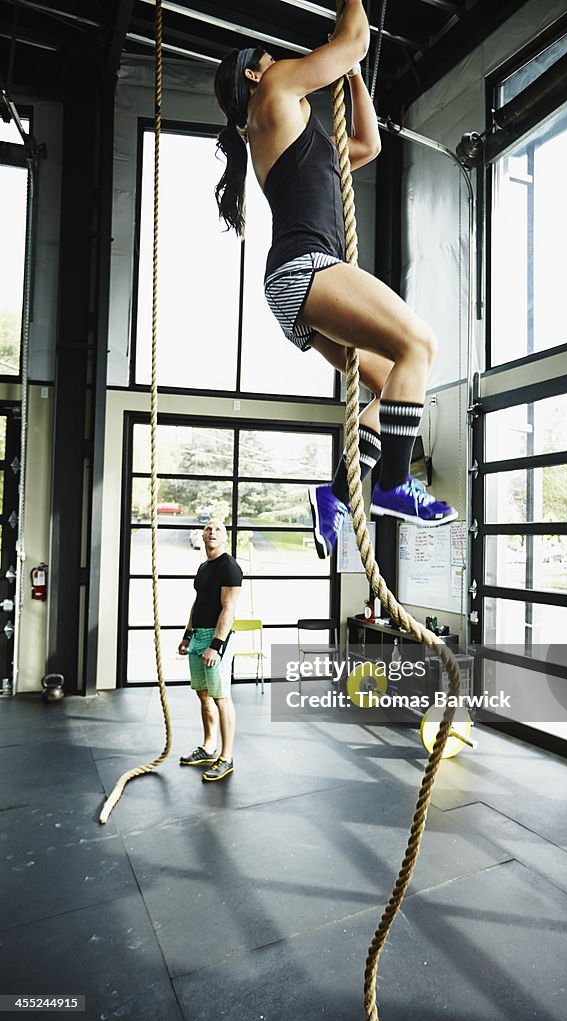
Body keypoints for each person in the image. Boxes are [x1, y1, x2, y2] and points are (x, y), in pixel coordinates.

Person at [213, 0, 457, 559]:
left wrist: (349, 73)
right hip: (308, 269)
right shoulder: (272, 91)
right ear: (256, 73)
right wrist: (350, 23)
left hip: (293, 284)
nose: (285, 64)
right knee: (420, 344)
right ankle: (393, 485)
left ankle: (338, 495)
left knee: (396, 377)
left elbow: (367, 145)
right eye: (273, 60)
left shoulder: (295, 131)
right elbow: (354, 39)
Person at [178, 519, 243, 782]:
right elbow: (198, 603)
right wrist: (187, 635)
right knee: (203, 695)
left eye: (217, 529)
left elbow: (228, 609)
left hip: (217, 639)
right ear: (202, 536)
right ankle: (208, 746)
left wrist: (216, 646)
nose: (212, 532)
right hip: (198, 636)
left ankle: (226, 758)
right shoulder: (204, 567)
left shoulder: (230, 567)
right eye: (208, 529)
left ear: (224, 538)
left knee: (221, 697)